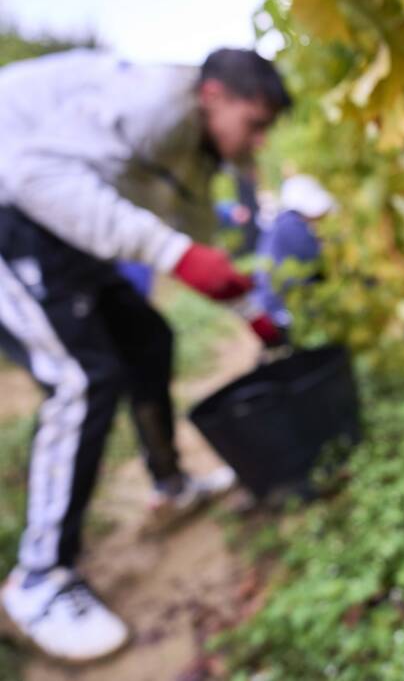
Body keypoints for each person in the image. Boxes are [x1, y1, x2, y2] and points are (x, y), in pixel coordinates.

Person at [0, 47, 288, 662]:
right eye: (255, 122)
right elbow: (34, 176)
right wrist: (176, 256)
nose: (258, 142)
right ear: (214, 96)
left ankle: (169, 486)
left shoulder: (190, 148)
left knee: (148, 340)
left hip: (53, 225)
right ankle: (38, 580)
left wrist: (252, 313)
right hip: (12, 214)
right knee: (80, 378)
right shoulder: (154, 99)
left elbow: (191, 238)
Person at [252, 174, 336, 329]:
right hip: (278, 311)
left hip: (272, 303)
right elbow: (320, 263)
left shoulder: (283, 224)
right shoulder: (292, 226)